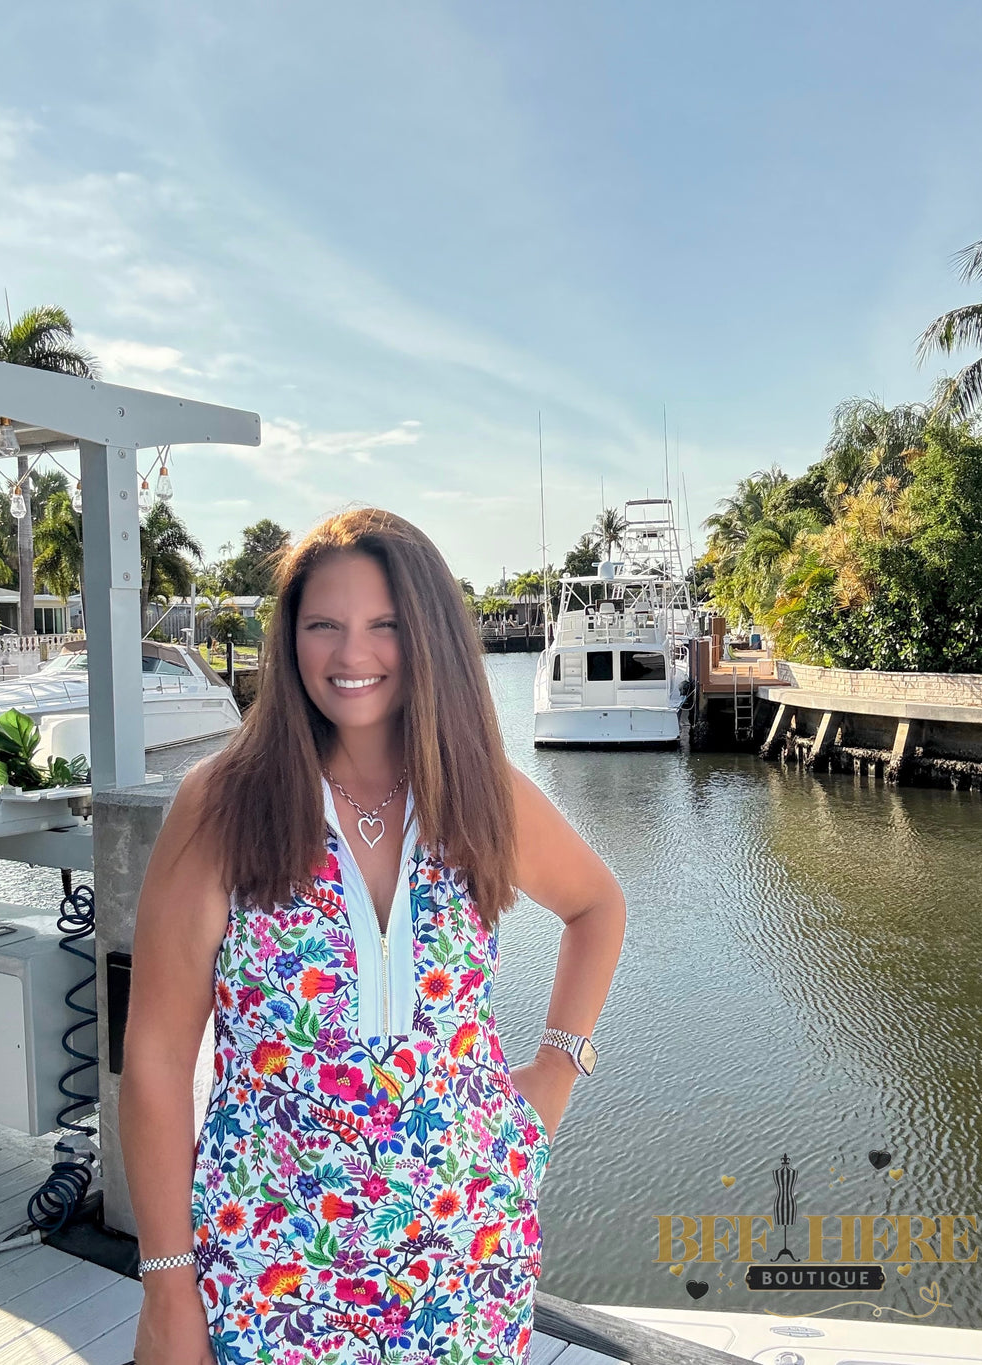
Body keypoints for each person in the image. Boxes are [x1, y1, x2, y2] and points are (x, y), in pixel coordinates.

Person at [119, 507, 626, 1365]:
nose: (351, 653)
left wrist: (554, 1071)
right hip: (272, 1271)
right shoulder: (224, 804)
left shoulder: (477, 793)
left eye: (384, 624)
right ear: (290, 638)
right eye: (324, 624)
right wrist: (168, 1286)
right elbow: (158, 1058)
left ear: (428, 637)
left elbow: (597, 905)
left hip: (468, 1261)